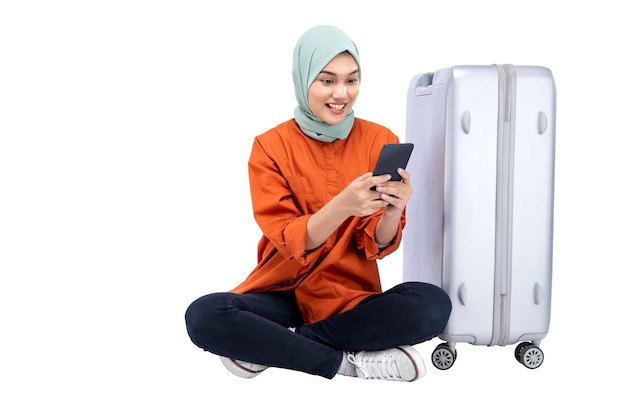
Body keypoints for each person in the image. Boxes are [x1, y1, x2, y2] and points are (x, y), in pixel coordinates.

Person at [185, 25, 451, 382]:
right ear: (303, 78)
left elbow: (376, 245)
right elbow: (287, 237)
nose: (342, 93)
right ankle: (345, 362)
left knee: (432, 305)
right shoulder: (270, 146)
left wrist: (393, 211)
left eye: (351, 80)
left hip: (348, 299)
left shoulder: (379, 139)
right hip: (282, 295)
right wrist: (342, 205)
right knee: (205, 314)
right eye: (327, 81)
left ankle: (281, 346)